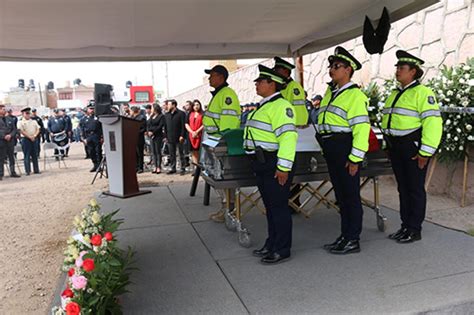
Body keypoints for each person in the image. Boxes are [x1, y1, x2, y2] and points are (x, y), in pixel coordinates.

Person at [382, 50, 443, 243]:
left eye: (402, 68)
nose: (398, 71)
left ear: (413, 72)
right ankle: (405, 225)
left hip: (413, 148)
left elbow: (433, 124)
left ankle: (414, 229)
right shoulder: (396, 93)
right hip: (396, 147)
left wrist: (425, 152)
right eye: (397, 67)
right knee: (403, 188)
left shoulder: (423, 93)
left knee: (414, 188)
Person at [317, 46, 370, 255]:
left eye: (336, 66)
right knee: (341, 195)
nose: (332, 69)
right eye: (330, 66)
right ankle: (344, 235)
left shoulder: (354, 95)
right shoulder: (331, 92)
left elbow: (361, 128)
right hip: (331, 148)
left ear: (348, 70)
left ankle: (352, 239)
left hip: (345, 147)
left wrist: (355, 157)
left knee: (350, 195)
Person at [244, 65, 298, 264]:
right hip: (262, 163)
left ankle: (282, 248)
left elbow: (288, 138)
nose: (256, 84)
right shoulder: (264, 105)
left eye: (260, 81)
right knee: (270, 206)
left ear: (272, 84)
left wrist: (283, 168)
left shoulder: (281, 106)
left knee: (278, 207)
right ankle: (272, 242)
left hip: (274, 162)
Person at [202, 64, 241, 222]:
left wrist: (223, 143)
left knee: (226, 180)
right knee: (219, 180)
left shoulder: (226, 95)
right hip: (214, 143)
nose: (209, 78)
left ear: (221, 77)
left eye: (212, 75)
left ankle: (229, 211)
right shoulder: (219, 94)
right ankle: (226, 209)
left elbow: (229, 123)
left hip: (222, 144)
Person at [273, 57, 308, 126]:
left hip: (294, 126)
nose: (275, 72)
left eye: (277, 70)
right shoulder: (281, 86)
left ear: (286, 71)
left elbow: (298, 109)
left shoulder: (294, 87)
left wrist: (296, 126)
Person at [164, 99, 186, 175]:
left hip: (179, 137)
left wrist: (182, 135)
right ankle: (173, 168)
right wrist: (165, 136)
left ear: (174, 105)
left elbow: (183, 126)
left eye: (169, 104)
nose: (167, 106)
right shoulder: (166, 115)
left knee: (181, 153)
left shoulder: (181, 113)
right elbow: (165, 126)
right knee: (172, 154)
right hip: (170, 137)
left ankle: (182, 168)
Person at [17, 107, 41, 175]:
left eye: (29, 113)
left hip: (34, 138)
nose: (28, 115)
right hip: (25, 139)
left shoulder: (34, 121)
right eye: (26, 113)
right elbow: (21, 131)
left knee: (35, 155)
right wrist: (30, 137)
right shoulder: (20, 122)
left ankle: (36, 170)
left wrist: (35, 136)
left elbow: (38, 129)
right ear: (23, 114)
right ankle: (28, 171)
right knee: (27, 155)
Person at [79, 104, 103, 172]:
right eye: (90, 109)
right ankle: (95, 165)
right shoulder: (84, 119)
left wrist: (102, 136)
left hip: (96, 135)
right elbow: (82, 129)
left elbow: (101, 127)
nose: (92, 110)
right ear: (87, 109)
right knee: (91, 152)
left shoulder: (98, 117)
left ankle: (99, 166)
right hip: (88, 136)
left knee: (98, 151)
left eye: (93, 109)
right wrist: (83, 138)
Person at [0, 104, 21, 180]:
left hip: (10, 141)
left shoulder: (10, 119)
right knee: (1, 158)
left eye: (4, 109)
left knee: (11, 157)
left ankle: (12, 172)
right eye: (2, 109)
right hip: (2, 141)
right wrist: (4, 136)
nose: (4, 110)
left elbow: (14, 129)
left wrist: (10, 135)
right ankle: (0, 174)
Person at [147, 104, 166, 174]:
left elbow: (160, 126)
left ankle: (158, 166)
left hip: (158, 135)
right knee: (153, 152)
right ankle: (154, 166)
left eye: (152, 108)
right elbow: (148, 124)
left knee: (158, 151)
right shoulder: (151, 116)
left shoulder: (161, 116)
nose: (151, 109)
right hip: (151, 136)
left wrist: (153, 132)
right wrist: (148, 131)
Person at [185, 99, 204, 168]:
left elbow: (204, 124)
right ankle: (195, 168)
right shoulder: (189, 114)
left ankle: (200, 167)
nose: (196, 106)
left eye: (197, 105)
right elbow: (186, 124)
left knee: (199, 151)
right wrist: (192, 132)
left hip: (200, 135)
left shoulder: (203, 114)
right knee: (193, 152)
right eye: (194, 105)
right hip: (191, 135)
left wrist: (197, 132)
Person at [130, 106, 147, 173]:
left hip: (139, 138)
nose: (130, 112)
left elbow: (143, 128)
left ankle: (140, 167)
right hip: (133, 138)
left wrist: (136, 132)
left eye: (131, 111)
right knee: (135, 153)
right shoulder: (132, 118)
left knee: (140, 153)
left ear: (134, 111)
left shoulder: (141, 118)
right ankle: (136, 166)